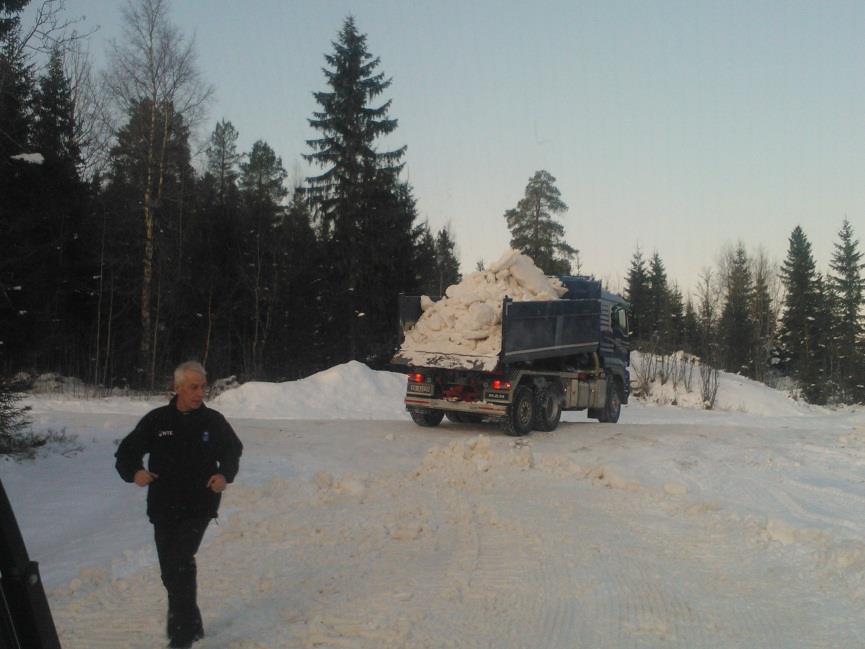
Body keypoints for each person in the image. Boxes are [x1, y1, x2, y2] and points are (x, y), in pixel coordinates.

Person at [115, 361, 243, 649]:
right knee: (170, 570)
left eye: (203, 387)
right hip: (163, 506)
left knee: (180, 561)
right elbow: (126, 452)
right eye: (193, 387)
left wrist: (224, 475)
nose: (200, 393)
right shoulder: (157, 421)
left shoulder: (214, 422)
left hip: (199, 504)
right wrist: (135, 472)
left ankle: (182, 635)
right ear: (177, 388)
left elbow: (232, 451)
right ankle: (193, 626)